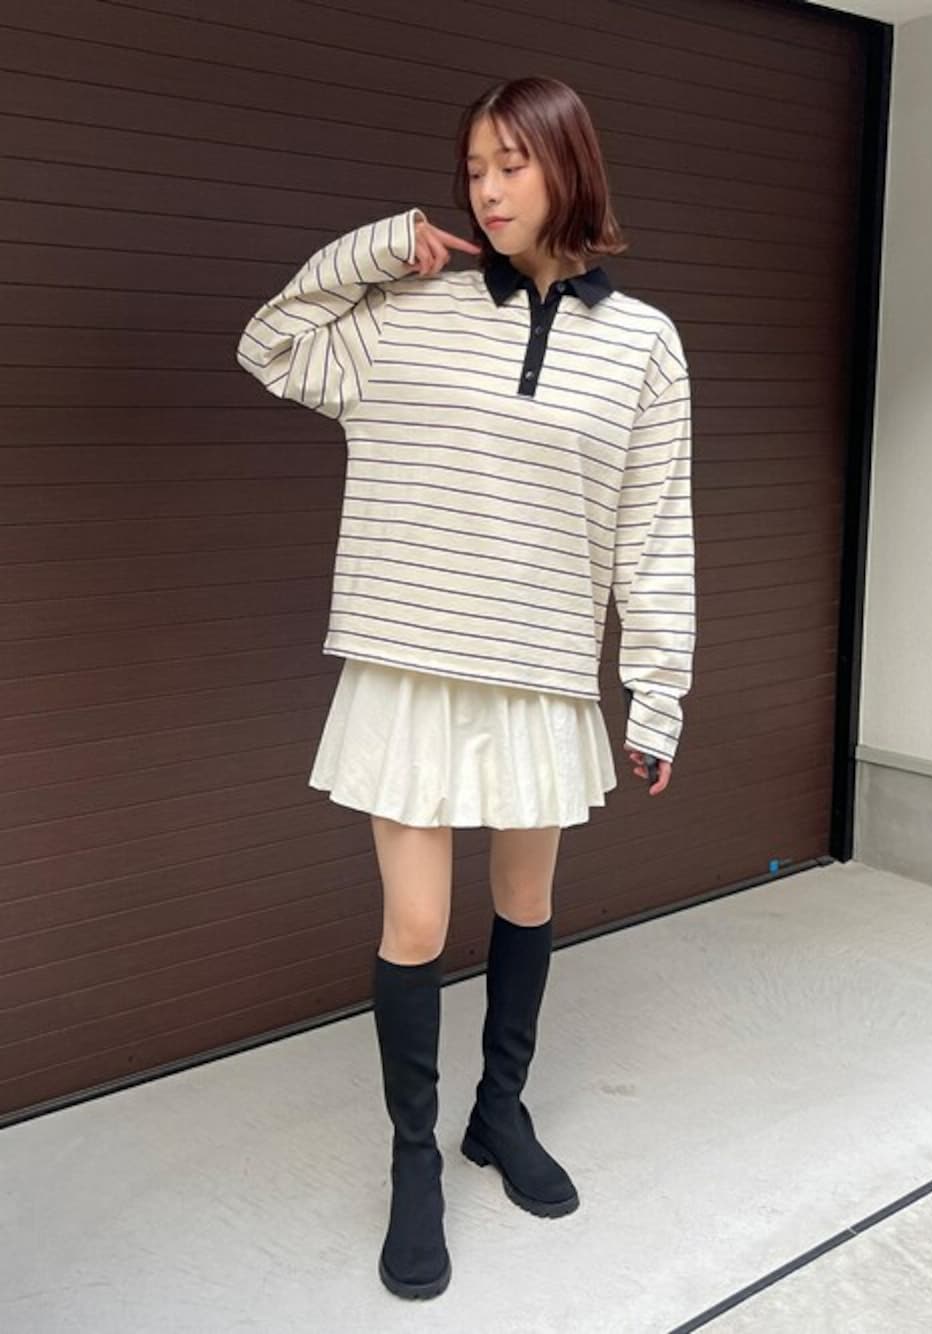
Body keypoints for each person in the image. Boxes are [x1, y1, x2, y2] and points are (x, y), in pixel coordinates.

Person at [236, 75, 695, 1302]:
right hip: (409, 662)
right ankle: (413, 1163)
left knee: (526, 903)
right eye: (474, 166)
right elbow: (269, 343)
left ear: (566, 165)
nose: (486, 189)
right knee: (417, 928)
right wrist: (377, 250)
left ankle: (499, 1110)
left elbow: (655, 533)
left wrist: (656, 693)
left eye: (510, 164)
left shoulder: (644, 345)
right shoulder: (407, 313)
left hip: (541, 674)